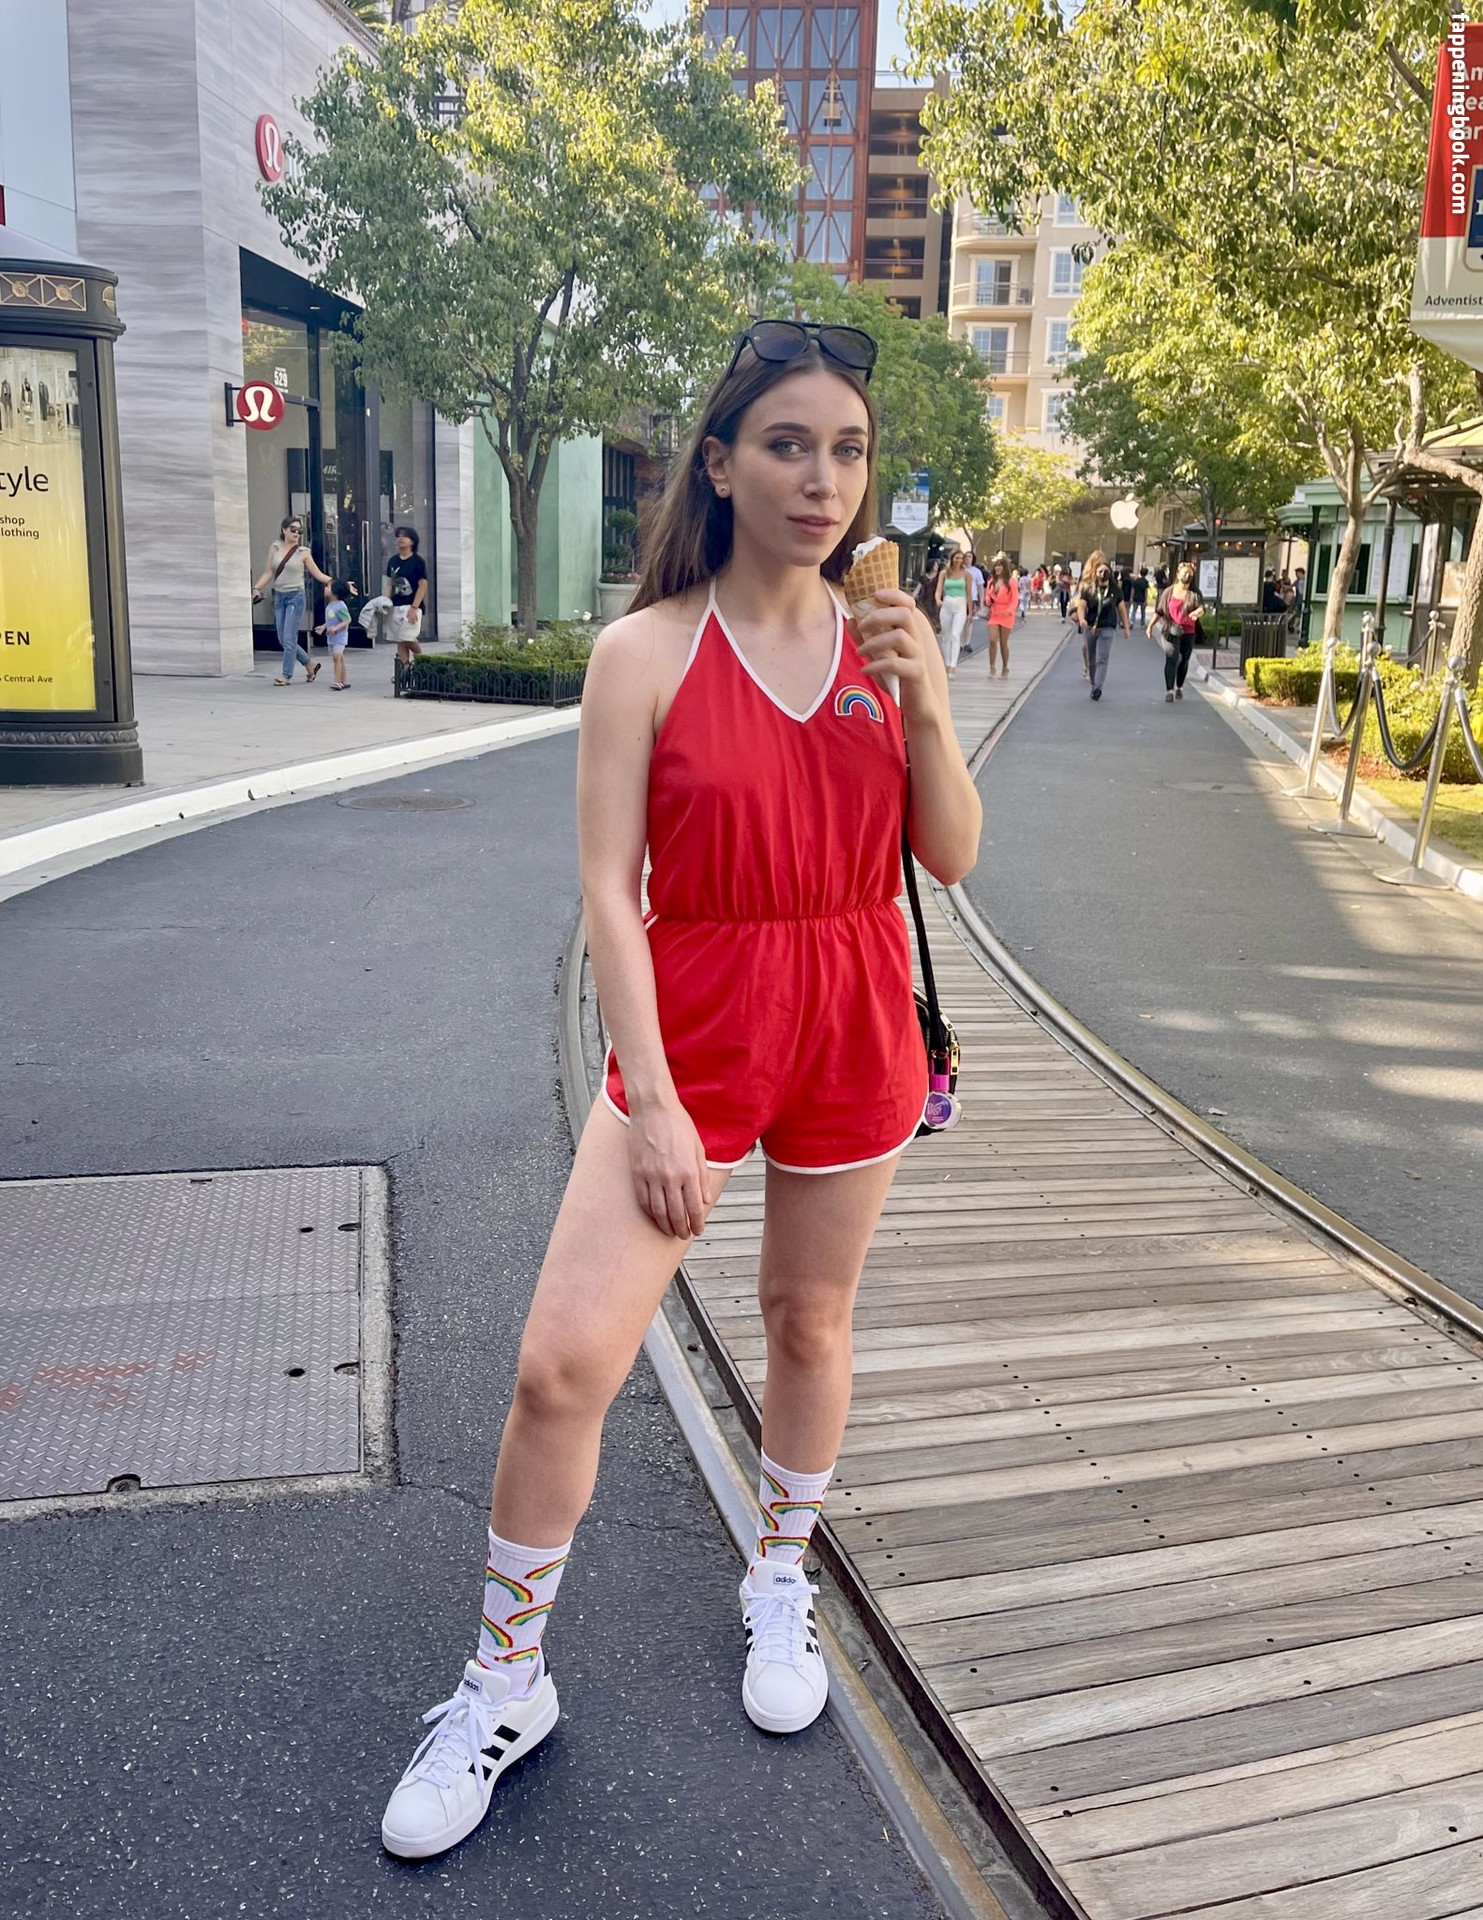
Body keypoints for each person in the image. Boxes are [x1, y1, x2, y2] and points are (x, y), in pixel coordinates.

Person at [376, 316, 982, 1863]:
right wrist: (648, 1099)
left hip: (852, 1014)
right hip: (695, 1026)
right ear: (717, 463)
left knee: (807, 1320)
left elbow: (948, 855)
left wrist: (923, 701)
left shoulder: (887, 636)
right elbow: (606, 886)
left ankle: (777, 1571)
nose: (820, 480)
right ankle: (504, 1682)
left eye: (845, 450)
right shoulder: (642, 652)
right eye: (786, 445)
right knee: (561, 1365)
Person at [252, 515, 332, 686]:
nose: (296, 533)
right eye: (293, 530)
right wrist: (256, 588)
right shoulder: (275, 547)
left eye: (299, 531)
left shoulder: (303, 552)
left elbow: (319, 575)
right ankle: (310, 664)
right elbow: (268, 572)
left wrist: (338, 583)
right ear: (284, 530)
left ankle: (286, 675)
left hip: (296, 597)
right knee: (283, 638)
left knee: (289, 638)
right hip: (279, 596)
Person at [1075, 550, 1128, 701]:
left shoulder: (1114, 589)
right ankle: (1094, 683)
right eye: (1099, 569)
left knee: (1102, 658)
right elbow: (1081, 605)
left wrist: (1126, 627)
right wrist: (1081, 619)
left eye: (1106, 570)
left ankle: (1098, 687)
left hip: (1107, 627)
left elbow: (1121, 608)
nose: (1103, 573)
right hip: (1090, 625)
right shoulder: (1088, 586)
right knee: (1091, 657)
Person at [1159, 559, 1203, 700]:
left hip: (1188, 631)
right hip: (1170, 630)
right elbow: (1159, 611)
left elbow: (1201, 608)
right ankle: (1169, 690)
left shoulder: (1194, 593)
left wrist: (1197, 613)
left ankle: (1179, 686)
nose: (1187, 576)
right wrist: (1150, 626)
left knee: (1184, 659)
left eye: (1190, 574)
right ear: (1178, 575)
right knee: (1171, 658)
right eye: (1184, 573)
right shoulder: (1168, 592)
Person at [387, 525, 429, 664]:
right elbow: (389, 584)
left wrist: (414, 607)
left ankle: (424, 661)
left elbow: (423, 585)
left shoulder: (418, 561)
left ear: (412, 541)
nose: (401, 539)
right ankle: (405, 670)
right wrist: (385, 602)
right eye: (399, 536)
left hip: (412, 605)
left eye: (404, 536)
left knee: (408, 638)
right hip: (396, 605)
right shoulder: (392, 561)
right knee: (400, 640)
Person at [935, 547, 971, 675]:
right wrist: (938, 599)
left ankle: (953, 665)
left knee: (956, 634)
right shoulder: (944, 573)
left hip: (960, 604)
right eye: (957, 558)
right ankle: (946, 663)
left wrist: (970, 612)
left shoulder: (966, 574)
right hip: (947, 603)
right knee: (946, 636)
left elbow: (969, 594)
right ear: (952, 558)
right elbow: (939, 590)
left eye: (961, 558)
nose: (959, 560)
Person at [316, 578, 354, 689]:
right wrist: (323, 627)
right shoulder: (330, 606)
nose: (325, 589)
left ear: (335, 591)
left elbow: (347, 620)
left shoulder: (340, 606)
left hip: (339, 637)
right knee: (339, 658)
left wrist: (336, 628)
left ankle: (337, 681)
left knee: (337, 657)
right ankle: (344, 680)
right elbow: (330, 621)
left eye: (328, 587)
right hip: (332, 637)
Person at [984, 555, 1016, 678]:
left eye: (1000, 566)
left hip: (1006, 613)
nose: (997, 568)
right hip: (995, 612)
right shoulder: (992, 581)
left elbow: (1014, 599)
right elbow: (988, 594)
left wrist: (1010, 610)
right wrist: (988, 599)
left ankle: (1005, 667)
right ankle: (992, 667)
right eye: (996, 566)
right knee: (992, 640)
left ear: (1005, 568)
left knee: (1003, 642)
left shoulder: (1011, 582)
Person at [965, 552, 986, 653]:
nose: (967, 558)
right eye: (966, 556)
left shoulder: (976, 572)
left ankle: (967, 642)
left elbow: (980, 587)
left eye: (969, 557)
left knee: (969, 620)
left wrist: (981, 602)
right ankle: (960, 642)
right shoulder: (959, 570)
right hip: (960, 598)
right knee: (960, 621)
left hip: (971, 598)